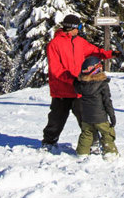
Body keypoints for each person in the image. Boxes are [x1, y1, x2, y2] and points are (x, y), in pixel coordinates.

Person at [41, 13, 112, 152]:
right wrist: (73, 80)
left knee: (85, 117)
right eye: (78, 26)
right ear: (71, 27)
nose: (80, 29)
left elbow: (94, 51)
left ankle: (93, 143)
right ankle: (49, 142)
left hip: (78, 89)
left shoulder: (79, 41)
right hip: (61, 90)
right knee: (56, 118)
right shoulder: (54, 44)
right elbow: (56, 69)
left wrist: (110, 54)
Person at [73, 55, 118, 157]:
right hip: (100, 117)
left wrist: (78, 78)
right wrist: (112, 115)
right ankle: (110, 152)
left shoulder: (81, 85)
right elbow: (107, 101)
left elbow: (75, 85)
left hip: (86, 117)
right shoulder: (102, 84)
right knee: (107, 134)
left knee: (86, 134)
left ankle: (82, 153)